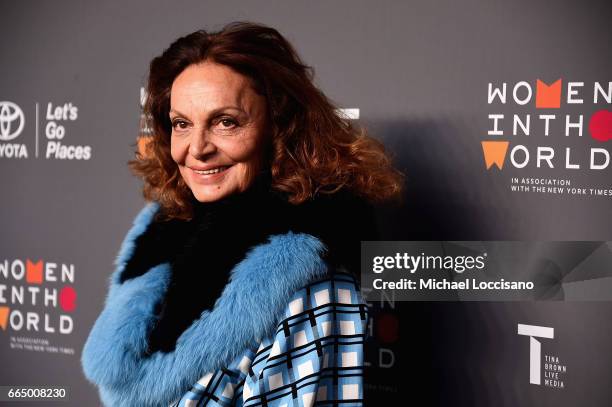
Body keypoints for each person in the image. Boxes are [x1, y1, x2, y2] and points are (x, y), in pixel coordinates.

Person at [81, 21, 403, 407]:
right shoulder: (165, 230)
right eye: (182, 124)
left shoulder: (310, 280)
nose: (197, 148)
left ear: (279, 127)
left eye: (225, 122)